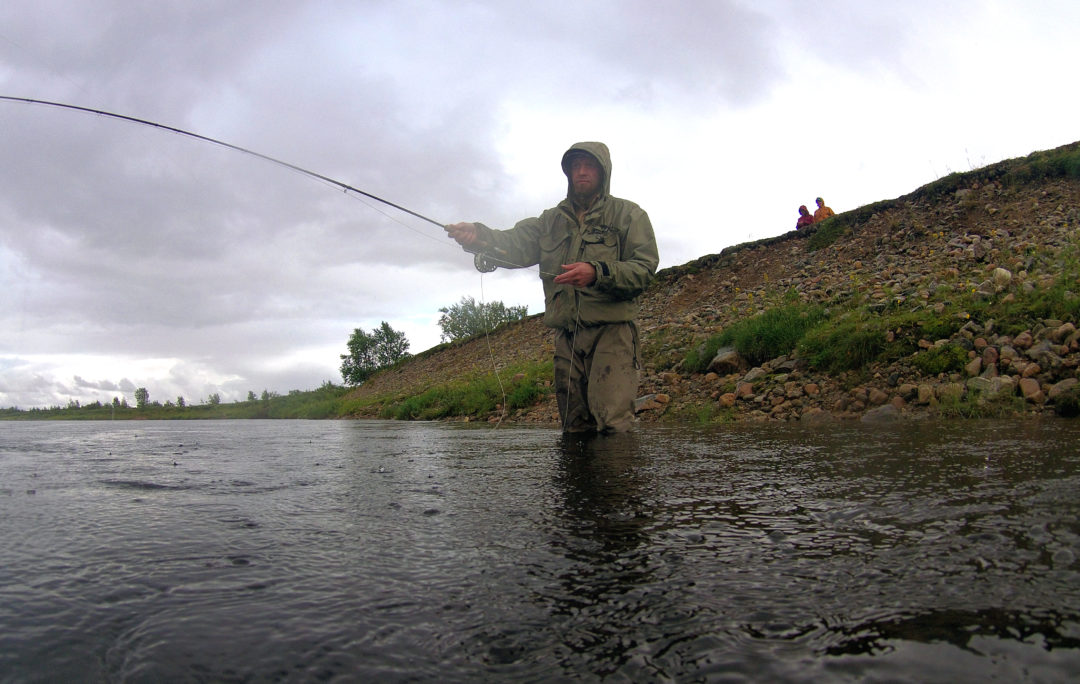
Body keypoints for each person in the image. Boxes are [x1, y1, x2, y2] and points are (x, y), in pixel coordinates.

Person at [446, 142, 659, 433]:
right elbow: (514, 244)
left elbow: (644, 269)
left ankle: (618, 467)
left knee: (613, 426)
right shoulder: (549, 221)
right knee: (574, 428)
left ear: (603, 171)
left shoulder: (629, 215)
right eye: (575, 166)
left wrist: (597, 272)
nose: (581, 172)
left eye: (589, 165)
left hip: (612, 334)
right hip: (566, 338)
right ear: (568, 173)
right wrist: (479, 236)